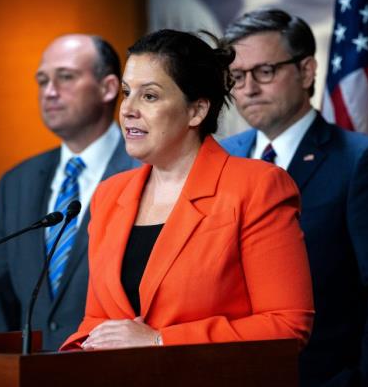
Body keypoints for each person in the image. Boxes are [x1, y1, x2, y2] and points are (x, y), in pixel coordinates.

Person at [60, 29, 314, 351]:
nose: (127, 109)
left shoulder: (257, 187)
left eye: (149, 96)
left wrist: (159, 340)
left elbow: (287, 325)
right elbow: (98, 324)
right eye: (127, 92)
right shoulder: (109, 196)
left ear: (197, 111)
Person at [221, 9, 368, 387]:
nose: (248, 88)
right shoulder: (221, 157)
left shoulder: (360, 160)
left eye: (264, 71)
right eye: (236, 76)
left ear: (307, 70)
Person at [0, 34, 139, 350]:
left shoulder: (146, 170)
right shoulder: (16, 182)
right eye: (42, 80)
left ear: (108, 88)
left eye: (65, 77)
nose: (49, 92)